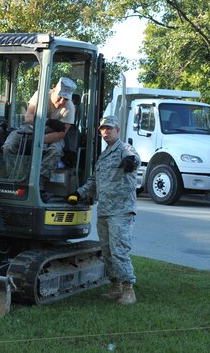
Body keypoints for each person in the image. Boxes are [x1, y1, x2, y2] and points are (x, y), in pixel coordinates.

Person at [69, 115, 140, 305]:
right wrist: (79, 193)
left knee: (119, 251)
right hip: (105, 211)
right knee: (107, 252)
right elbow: (94, 181)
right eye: (103, 129)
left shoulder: (124, 149)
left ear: (118, 131)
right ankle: (115, 287)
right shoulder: (104, 155)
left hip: (121, 211)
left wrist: (131, 162)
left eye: (110, 128)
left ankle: (128, 290)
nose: (106, 131)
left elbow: (134, 158)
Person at [2, 77, 76, 187]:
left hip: (52, 135)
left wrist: (39, 141)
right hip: (30, 129)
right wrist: (48, 121)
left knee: (55, 151)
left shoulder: (70, 108)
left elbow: (61, 134)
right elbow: (28, 118)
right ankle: (14, 180)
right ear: (54, 89)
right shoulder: (40, 95)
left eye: (65, 99)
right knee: (9, 145)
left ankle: (37, 185)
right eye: (60, 97)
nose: (61, 102)